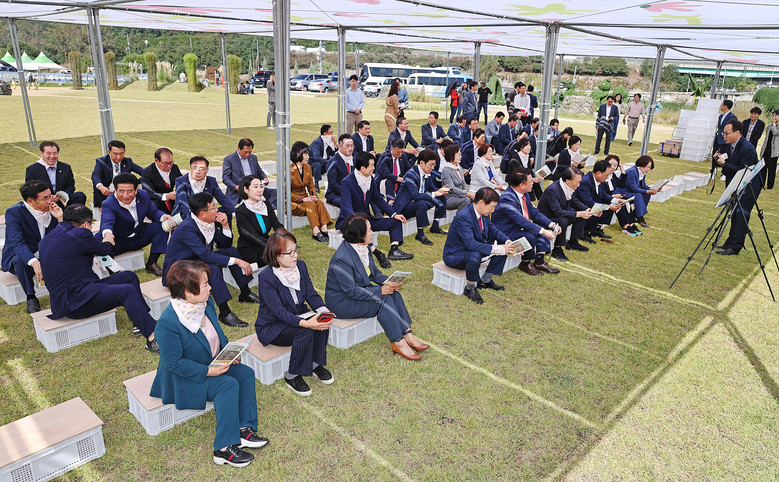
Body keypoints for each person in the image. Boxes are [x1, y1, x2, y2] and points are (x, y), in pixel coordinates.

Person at [150, 260, 267, 468]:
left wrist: (229, 353)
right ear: (188, 292)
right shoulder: (168, 323)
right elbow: (173, 364)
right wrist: (208, 371)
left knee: (245, 373)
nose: (210, 288)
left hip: (211, 363)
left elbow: (218, 335)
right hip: (184, 378)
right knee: (227, 385)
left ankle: (244, 429)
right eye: (205, 284)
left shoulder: (205, 303)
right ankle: (223, 449)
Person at [38, 204, 158, 353]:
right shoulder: (80, 234)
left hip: (72, 296)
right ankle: (152, 338)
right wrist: (108, 239)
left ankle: (140, 321)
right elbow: (105, 250)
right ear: (85, 224)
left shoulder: (47, 239)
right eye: (91, 224)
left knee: (129, 276)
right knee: (127, 291)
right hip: (77, 303)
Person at [325, 214, 427, 361]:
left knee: (393, 293)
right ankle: (398, 342)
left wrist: (389, 282)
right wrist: (379, 290)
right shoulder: (342, 259)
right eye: (369, 230)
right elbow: (351, 291)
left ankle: (408, 334)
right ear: (359, 234)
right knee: (383, 299)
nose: (372, 233)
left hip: (358, 293)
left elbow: (374, 274)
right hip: (343, 302)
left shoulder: (363, 247)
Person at [256, 230, 334, 395]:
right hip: (273, 326)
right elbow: (279, 312)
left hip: (297, 314)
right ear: (277, 256)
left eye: (295, 250)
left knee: (321, 322)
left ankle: (315, 364)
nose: (295, 255)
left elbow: (311, 294)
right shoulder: (267, 277)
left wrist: (324, 312)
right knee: (306, 330)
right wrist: (306, 323)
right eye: (289, 252)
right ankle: (292, 375)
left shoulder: (301, 266)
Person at [163, 192, 257, 328]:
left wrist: (225, 225)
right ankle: (224, 313)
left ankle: (245, 293)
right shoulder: (187, 227)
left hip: (195, 260)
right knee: (211, 268)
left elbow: (225, 244)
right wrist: (238, 261)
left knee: (232, 251)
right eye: (213, 207)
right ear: (202, 213)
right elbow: (206, 255)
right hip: (178, 270)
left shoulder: (206, 222)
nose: (217, 210)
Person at [336, 152, 414, 266]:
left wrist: (394, 214)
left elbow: (378, 200)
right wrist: (359, 223)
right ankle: (377, 253)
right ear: (363, 168)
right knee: (360, 230)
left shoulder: (370, 180)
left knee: (396, 221)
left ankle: (394, 250)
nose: (374, 168)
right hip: (350, 221)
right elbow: (347, 207)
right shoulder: (347, 182)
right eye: (372, 165)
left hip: (367, 219)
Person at [443, 187, 516, 304]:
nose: (493, 210)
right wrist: (498, 249)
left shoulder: (483, 213)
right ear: (481, 203)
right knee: (477, 254)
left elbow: (492, 230)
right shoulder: (464, 217)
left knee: (503, 247)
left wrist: (507, 242)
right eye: (492, 207)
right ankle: (470, 288)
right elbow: (470, 244)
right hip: (455, 255)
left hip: (473, 247)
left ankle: (485, 280)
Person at [2, 181, 62, 313]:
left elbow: (62, 237)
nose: (50, 201)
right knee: (19, 260)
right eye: (45, 198)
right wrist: (34, 262)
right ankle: (31, 297)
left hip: (45, 255)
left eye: (50, 196)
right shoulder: (14, 212)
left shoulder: (54, 209)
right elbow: (17, 242)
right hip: (22, 257)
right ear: (30, 201)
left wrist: (61, 219)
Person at [492, 168, 561, 276]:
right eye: (530, 181)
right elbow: (521, 221)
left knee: (541, 229)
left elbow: (534, 213)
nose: (533, 183)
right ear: (522, 185)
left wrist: (551, 224)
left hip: (517, 228)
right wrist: (544, 231)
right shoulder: (507, 199)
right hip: (505, 233)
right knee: (532, 235)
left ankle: (539, 262)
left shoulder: (524, 194)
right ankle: (525, 263)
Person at [99, 173, 170, 276]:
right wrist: (108, 235)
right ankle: (113, 272)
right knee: (99, 241)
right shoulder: (108, 203)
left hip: (139, 236)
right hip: (118, 241)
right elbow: (107, 221)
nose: (126, 195)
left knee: (162, 227)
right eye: (121, 191)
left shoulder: (143, 195)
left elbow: (153, 212)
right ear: (115, 190)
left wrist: (164, 217)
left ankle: (152, 263)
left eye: (130, 191)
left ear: (136, 190)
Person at [715, 120, 763, 256]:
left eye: (727, 133)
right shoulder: (729, 145)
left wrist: (724, 164)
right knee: (734, 214)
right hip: (737, 184)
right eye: (723, 133)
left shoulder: (747, 148)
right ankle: (730, 242)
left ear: (737, 133)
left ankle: (736, 247)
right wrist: (719, 160)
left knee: (741, 215)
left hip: (749, 186)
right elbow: (728, 163)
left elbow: (741, 171)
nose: (724, 136)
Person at [536, 167, 594, 262]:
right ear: (567, 181)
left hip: (558, 215)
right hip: (546, 218)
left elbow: (574, 201)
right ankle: (557, 249)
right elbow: (557, 212)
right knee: (563, 220)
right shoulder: (553, 190)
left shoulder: (567, 187)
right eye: (577, 182)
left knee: (582, 215)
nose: (578, 185)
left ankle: (573, 242)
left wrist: (587, 210)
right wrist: (579, 213)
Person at [393, 149, 449, 245]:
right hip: (404, 208)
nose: (432, 168)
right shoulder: (411, 174)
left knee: (441, 196)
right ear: (422, 163)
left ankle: (435, 225)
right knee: (422, 202)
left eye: (434, 165)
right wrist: (435, 193)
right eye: (431, 165)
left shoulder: (428, 173)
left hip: (417, 205)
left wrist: (442, 190)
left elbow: (432, 188)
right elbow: (415, 195)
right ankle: (420, 233)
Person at [235, 175, 283, 267]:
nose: (260, 190)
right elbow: (252, 236)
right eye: (255, 187)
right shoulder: (241, 211)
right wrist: (273, 247)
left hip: (266, 243)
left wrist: (285, 238)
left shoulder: (266, 205)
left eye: (261, 186)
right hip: (250, 248)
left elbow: (277, 225)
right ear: (246, 189)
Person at [289, 142, 332, 242]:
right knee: (311, 204)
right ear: (298, 154)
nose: (308, 157)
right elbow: (285, 193)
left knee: (319, 202)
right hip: (292, 202)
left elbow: (311, 185)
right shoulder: (289, 170)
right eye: (306, 154)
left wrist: (314, 195)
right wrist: (303, 199)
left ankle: (324, 228)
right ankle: (316, 231)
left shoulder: (308, 167)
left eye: (308, 154)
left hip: (306, 200)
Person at [25, 141, 87, 208]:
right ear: (41, 153)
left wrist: (63, 195)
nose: (52, 156)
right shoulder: (32, 169)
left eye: (55, 153)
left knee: (80, 196)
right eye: (48, 153)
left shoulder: (66, 167)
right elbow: (30, 190)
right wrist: (47, 197)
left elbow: (71, 186)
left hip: (62, 200)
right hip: (44, 202)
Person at [573, 160, 622, 243]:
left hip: (591, 203)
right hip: (581, 206)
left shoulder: (599, 179)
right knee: (601, 208)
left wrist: (616, 200)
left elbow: (604, 194)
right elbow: (588, 202)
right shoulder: (585, 181)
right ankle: (584, 232)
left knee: (609, 204)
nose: (607, 177)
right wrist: (609, 207)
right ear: (598, 173)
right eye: (606, 175)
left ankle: (596, 229)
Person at [172, 156, 235, 220]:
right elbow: (183, 203)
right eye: (194, 168)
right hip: (185, 215)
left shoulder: (211, 181)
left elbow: (223, 199)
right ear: (190, 168)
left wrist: (234, 213)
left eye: (202, 169)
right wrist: (197, 218)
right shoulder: (181, 181)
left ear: (207, 170)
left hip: (205, 214)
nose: (198, 171)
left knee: (225, 212)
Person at [222, 138, 277, 209]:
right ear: (238, 149)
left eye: (250, 152)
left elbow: (259, 171)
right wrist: (236, 187)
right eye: (245, 152)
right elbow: (226, 178)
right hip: (241, 190)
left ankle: (268, 208)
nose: (247, 154)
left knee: (276, 193)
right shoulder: (229, 159)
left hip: (255, 187)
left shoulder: (253, 158)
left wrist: (264, 178)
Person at [91, 140, 143, 209]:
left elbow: (144, 173)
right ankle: (102, 208)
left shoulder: (128, 162)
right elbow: (95, 176)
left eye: (121, 153)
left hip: (124, 190)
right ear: (109, 152)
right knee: (98, 186)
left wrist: (134, 184)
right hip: (107, 191)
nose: (118, 157)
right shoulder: (101, 162)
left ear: (124, 152)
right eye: (115, 154)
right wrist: (101, 187)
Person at [602, 155, 643, 236]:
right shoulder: (602, 176)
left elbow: (622, 184)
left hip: (611, 197)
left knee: (626, 202)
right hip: (604, 199)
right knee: (619, 204)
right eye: (611, 164)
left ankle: (631, 224)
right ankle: (625, 226)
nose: (613, 167)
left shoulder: (612, 176)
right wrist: (614, 196)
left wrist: (622, 169)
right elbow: (601, 193)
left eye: (615, 165)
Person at [141, 147, 183, 215]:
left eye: (171, 162)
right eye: (165, 164)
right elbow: (149, 193)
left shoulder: (174, 168)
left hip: (172, 200)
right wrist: (166, 196)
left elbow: (181, 182)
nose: (169, 166)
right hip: (157, 201)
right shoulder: (147, 172)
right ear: (156, 161)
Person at [625, 155, 659, 228]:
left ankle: (636, 214)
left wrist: (653, 189)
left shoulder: (642, 172)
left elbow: (643, 186)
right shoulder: (631, 172)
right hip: (624, 193)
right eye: (647, 167)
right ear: (641, 164)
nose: (648, 169)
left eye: (649, 167)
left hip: (631, 192)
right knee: (638, 195)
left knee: (647, 194)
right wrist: (648, 191)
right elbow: (634, 188)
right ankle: (640, 217)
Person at [325, 134, 356, 208]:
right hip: (336, 194)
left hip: (352, 193)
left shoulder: (355, 160)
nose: (350, 148)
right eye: (347, 146)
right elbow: (333, 184)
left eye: (352, 146)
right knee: (348, 203)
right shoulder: (333, 162)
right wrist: (347, 192)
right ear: (340, 146)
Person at [441, 144, 474, 213]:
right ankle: (459, 218)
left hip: (461, 195)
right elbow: (451, 188)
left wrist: (467, 192)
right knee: (466, 200)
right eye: (458, 155)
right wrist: (467, 194)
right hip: (450, 198)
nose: (460, 156)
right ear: (451, 156)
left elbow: (463, 184)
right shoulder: (446, 170)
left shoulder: (459, 167)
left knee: (476, 197)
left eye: (460, 154)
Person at [309, 125, 337, 190]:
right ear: (325, 133)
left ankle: (333, 183)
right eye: (330, 132)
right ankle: (316, 184)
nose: (332, 134)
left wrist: (334, 144)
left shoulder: (329, 142)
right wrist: (328, 162)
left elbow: (333, 154)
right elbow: (316, 157)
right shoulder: (317, 142)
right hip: (313, 165)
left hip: (324, 163)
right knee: (317, 164)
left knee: (334, 164)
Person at [713, 100, 737, 168]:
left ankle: (724, 170)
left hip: (725, 139)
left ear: (726, 106)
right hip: (718, 137)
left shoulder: (732, 117)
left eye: (722, 105)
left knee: (724, 155)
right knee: (715, 153)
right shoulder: (720, 116)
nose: (721, 106)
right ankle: (713, 169)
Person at [760, 109, 779, 190]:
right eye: (773, 115)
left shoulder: (775, 126)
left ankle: (770, 186)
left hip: (774, 151)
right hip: (766, 149)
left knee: (772, 169)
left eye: (776, 115)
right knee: (763, 168)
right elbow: (766, 139)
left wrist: (774, 124)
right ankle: (761, 184)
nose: (774, 117)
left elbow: (775, 132)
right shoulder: (769, 126)